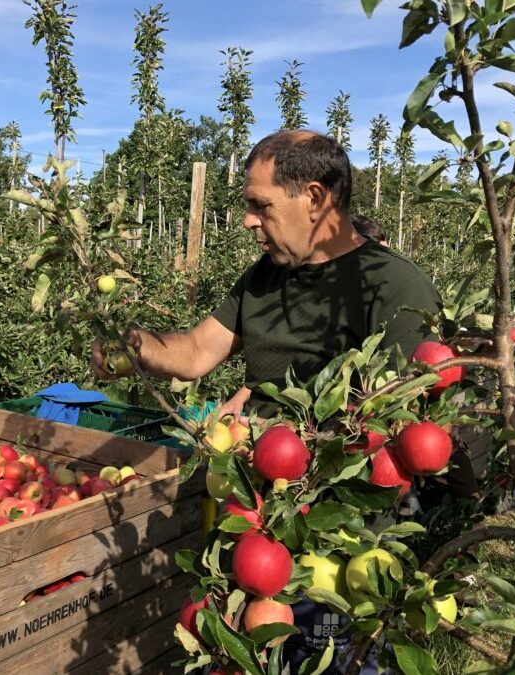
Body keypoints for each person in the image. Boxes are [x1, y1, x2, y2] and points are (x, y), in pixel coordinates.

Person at [89, 130, 449, 673]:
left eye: (260, 205)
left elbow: (389, 426)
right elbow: (195, 351)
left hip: (337, 532)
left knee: (329, 658)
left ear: (314, 197)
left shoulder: (393, 287)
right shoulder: (264, 276)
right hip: (254, 518)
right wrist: (136, 345)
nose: (248, 221)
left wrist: (265, 430)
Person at [220, 212, 390, 418]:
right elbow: (290, 364)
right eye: (376, 255)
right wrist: (243, 395)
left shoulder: (382, 296)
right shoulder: (327, 298)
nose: (383, 263)